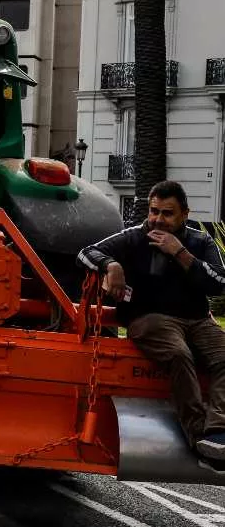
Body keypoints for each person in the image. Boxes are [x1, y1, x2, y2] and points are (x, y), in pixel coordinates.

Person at [79, 180, 225, 465]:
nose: (158, 219)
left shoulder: (200, 241)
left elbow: (218, 282)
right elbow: (86, 252)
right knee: (180, 355)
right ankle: (198, 437)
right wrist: (111, 265)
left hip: (196, 319)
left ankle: (217, 432)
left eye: (167, 213)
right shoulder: (134, 237)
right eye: (154, 211)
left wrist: (180, 253)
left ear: (184, 214)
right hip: (148, 318)